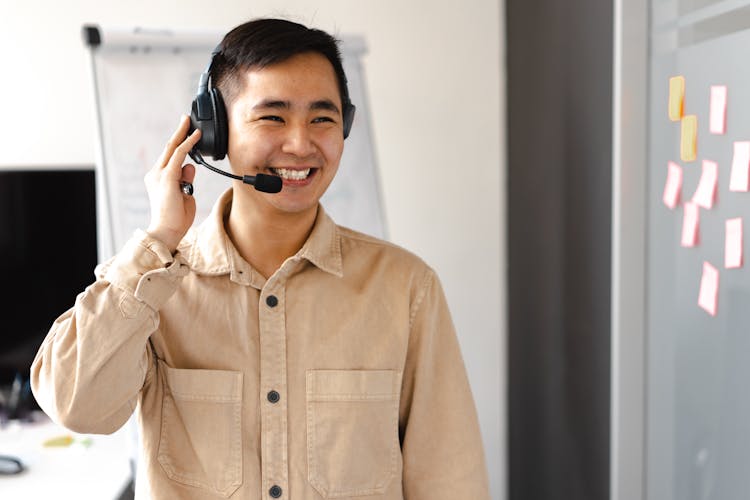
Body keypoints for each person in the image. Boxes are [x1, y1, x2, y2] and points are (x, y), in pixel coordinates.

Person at [31, 18, 490, 499]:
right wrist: (160, 237)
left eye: (322, 118)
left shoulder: (405, 287)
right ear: (215, 133)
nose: (300, 143)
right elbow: (75, 406)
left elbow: (449, 479)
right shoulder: (155, 287)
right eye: (273, 117)